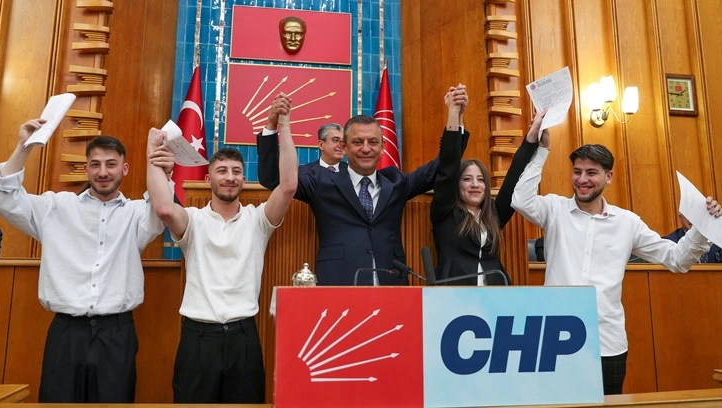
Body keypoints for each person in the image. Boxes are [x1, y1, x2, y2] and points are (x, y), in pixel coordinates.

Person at [511, 125, 722, 395]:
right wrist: (542, 151)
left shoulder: (627, 222)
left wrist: (702, 225)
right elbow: (520, 200)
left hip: (607, 343)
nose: (582, 179)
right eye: (577, 171)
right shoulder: (554, 209)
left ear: (608, 176)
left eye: (591, 172)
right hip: (556, 339)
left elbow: (676, 259)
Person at [0, 119, 173, 403]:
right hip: (66, 332)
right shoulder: (55, 207)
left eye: (111, 164)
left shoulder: (138, 214)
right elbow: (3, 197)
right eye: (95, 164)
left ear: (125, 169)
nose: (103, 172)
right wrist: (23, 147)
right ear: (86, 168)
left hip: (117, 334)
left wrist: (162, 169)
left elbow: (163, 208)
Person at [147, 93, 298, 403]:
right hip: (198, 338)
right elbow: (163, 208)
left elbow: (288, 186)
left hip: (244, 338)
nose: (230, 178)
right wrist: (152, 154)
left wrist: (283, 125)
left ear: (243, 178)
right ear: (208, 178)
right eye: (222, 171)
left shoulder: (258, 220)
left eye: (236, 172)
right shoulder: (192, 220)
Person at [257, 89, 469, 286]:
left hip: (392, 288)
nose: (366, 149)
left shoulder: (396, 183)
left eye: (373, 142)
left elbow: (445, 165)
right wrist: (272, 125)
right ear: (344, 147)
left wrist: (454, 115)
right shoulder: (321, 181)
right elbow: (272, 178)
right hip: (339, 287)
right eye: (358, 142)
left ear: (383, 147)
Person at [431, 86, 540, 285]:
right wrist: (454, 113)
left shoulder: (493, 215)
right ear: (456, 184)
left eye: (481, 180)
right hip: (455, 296)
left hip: (495, 296)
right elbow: (448, 165)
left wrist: (532, 137)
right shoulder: (445, 212)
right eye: (467, 179)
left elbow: (514, 177)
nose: (475, 185)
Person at [257, 122, 345, 190]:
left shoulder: (351, 171)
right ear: (321, 144)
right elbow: (271, 180)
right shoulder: (304, 174)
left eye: (343, 141)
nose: (341, 145)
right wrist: (271, 124)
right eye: (335, 140)